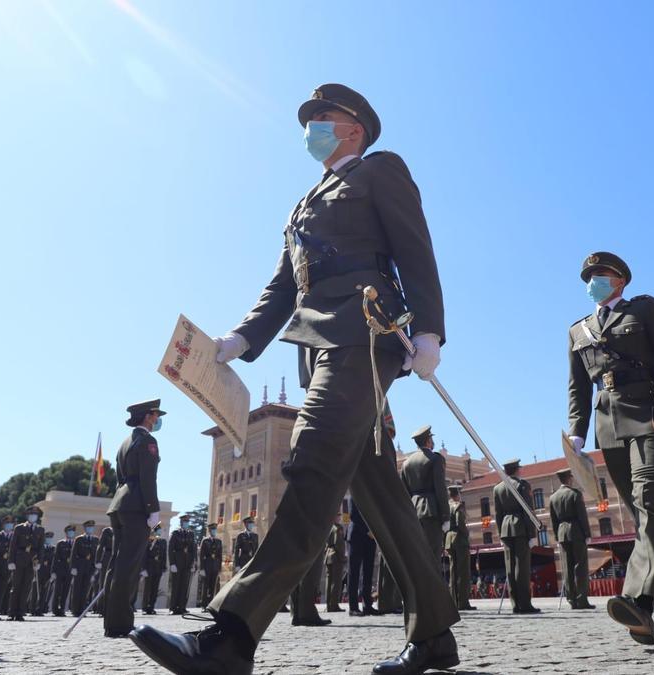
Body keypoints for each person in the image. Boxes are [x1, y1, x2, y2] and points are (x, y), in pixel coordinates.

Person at [128, 83, 458, 675]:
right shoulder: (302, 204)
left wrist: (430, 330)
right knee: (380, 495)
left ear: (353, 128)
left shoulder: (380, 170)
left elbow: (416, 248)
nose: (312, 129)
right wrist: (238, 341)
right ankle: (434, 632)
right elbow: (282, 288)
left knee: (310, 465)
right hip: (318, 349)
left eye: (322, 119)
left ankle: (232, 633)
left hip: (364, 333)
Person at [568, 252, 654, 645]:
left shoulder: (644, 309)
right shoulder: (577, 331)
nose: (593, 280)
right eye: (588, 276)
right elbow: (577, 386)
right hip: (608, 427)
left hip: (650, 416)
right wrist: (577, 432)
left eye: (601, 274)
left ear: (620, 280)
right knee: (649, 515)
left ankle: (637, 601)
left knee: (649, 504)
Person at [105, 400, 164, 637]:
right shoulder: (148, 441)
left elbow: (121, 477)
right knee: (129, 566)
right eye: (156, 415)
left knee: (117, 566)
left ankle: (111, 621)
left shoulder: (126, 442)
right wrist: (153, 509)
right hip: (136, 506)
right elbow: (148, 477)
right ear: (148, 417)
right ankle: (121, 624)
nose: (158, 419)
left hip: (120, 504)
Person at [494, 459, 538, 614]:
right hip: (520, 528)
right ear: (516, 470)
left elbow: (498, 514)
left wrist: (500, 533)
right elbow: (527, 510)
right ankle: (525, 604)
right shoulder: (522, 485)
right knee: (522, 567)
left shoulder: (498, 488)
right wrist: (532, 534)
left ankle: (515, 604)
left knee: (510, 568)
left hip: (506, 529)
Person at [400, 425, 449, 565]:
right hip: (431, 511)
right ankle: (432, 587)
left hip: (414, 512)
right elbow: (440, 489)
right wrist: (445, 516)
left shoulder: (406, 464)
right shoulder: (435, 459)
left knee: (418, 555)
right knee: (433, 556)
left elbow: (405, 493)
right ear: (428, 441)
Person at [549, 469, 593, 610]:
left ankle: (571, 599)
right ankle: (582, 599)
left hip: (562, 533)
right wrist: (587, 534)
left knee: (567, 567)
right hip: (576, 532)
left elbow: (553, 520)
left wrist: (557, 536)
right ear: (569, 479)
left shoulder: (553, 497)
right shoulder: (575, 494)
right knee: (580, 566)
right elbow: (582, 516)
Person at [6, 506, 45, 621]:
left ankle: (20, 612)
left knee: (26, 587)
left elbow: (41, 548)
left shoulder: (40, 530)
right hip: (19, 559)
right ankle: (11, 612)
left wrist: (39, 562)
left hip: (31, 561)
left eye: (35, 514)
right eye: (31, 514)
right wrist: (11, 561)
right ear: (27, 516)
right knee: (16, 586)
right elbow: (13, 545)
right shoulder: (19, 528)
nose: (33, 516)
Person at [444, 484, 474, 611]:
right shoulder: (458, 505)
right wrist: (466, 534)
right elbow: (460, 522)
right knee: (463, 572)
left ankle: (454, 601)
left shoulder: (446, 506)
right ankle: (463, 602)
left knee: (453, 572)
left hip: (449, 539)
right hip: (459, 539)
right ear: (458, 494)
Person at [347, 502, 377, 616]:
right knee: (354, 572)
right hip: (357, 535)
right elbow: (353, 515)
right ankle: (353, 607)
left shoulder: (370, 493)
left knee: (368, 572)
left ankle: (367, 605)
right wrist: (368, 531)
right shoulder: (354, 490)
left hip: (371, 538)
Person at [168, 516, 197, 614]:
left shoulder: (191, 534)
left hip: (187, 563)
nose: (186, 523)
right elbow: (171, 549)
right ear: (181, 522)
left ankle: (182, 607)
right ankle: (173, 607)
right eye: (185, 521)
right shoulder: (175, 533)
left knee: (185, 586)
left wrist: (194, 563)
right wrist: (172, 563)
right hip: (177, 562)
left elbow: (194, 550)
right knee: (176, 586)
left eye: (187, 521)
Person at [69, 520, 98, 615]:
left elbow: (96, 555)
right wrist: (73, 567)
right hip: (79, 566)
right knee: (77, 589)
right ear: (85, 528)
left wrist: (95, 569)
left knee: (86, 589)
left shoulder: (95, 540)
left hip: (90, 567)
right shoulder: (79, 539)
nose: (90, 528)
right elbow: (73, 554)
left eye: (92, 527)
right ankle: (75, 610)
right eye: (88, 527)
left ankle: (82, 610)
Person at [50, 525, 75, 616]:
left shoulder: (76, 543)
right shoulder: (60, 543)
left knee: (65, 591)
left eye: (72, 531)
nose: (71, 533)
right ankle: (55, 609)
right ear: (66, 533)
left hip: (70, 570)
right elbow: (55, 558)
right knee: (57, 590)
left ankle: (62, 609)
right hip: (60, 570)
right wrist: (53, 571)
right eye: (69, 531)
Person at [141, 525, 167, 615]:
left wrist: (164, 568)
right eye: (159, 530)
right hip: (149, 567)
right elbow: (144, 555)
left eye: (161, 530)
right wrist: (143, 568)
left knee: (155, 589)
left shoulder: (163, 542)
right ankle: (145, 607)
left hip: (158, 567)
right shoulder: (149, 540)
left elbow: (164, 556)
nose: (160, 531)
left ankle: (151, 606)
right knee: (147, 588)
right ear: (154, 531)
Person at [324, 515, 346, 613]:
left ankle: (328, 605)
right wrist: (343, 557)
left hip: (328, 556)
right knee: (336, 582)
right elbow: (339, 544)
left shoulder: (328, 526)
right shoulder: (338, 528)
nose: (339, 518)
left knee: (329, 582)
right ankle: (334, 605)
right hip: (336, 557)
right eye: (338, 516)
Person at [198, 523, 223, 608]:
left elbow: (220, 556)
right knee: (206, 586)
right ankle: (204, 605)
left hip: (215, 566)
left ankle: (210, 605)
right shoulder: (205, 541)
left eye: (215, 529)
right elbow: (201, 555)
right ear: (209, 531)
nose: (214, 531)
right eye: (212, 529)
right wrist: (201, 568)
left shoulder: (219, 541)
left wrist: (219, 568)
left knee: (213, 586)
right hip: (207, 565)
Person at [93, 527, 115, 615]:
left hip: (117, 558)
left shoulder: (124, 529)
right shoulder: (107, 531)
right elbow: (100, 546)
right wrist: (98, 560)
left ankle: (112, 609)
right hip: (107, 558)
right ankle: (102, 609)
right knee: (104, 584)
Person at [33, 531, 54, 616]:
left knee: (45, 592)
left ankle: (41, 609)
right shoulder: (39, 548)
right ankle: (32, 608)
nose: (49, 539)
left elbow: (54, 561)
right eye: (47, 537)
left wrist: (53, 573)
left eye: (50, 538)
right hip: (39, 571)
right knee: (35, 591)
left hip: (48, 572)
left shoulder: (53, 549)